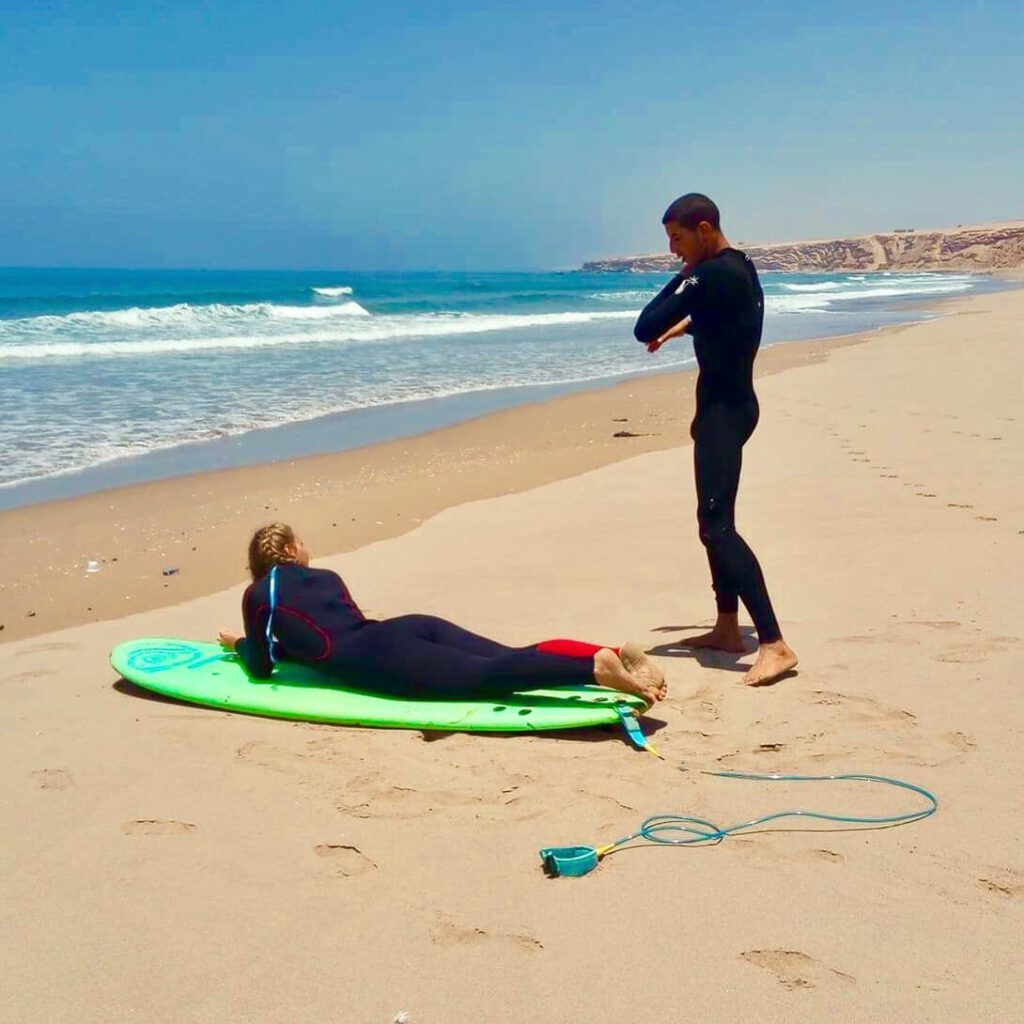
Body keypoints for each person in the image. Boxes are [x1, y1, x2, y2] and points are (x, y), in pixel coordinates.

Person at [218, 522, 667, 706]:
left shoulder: (259, 594)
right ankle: (613, 652)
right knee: (505, 656)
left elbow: (262, 667)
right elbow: (328, 635)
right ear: (294, 549)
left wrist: (238, 644)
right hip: (405, 628)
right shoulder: (328, 577)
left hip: (379, 659)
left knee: (488, 679)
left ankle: (594, 669)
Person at [633, 193, 797, 686]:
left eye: (678, 240)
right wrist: (683, 327)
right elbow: (725, 318)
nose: (674, 252)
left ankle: (773, 643)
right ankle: (728, 626)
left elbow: (643, 323)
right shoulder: (737, 268)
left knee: (717, 525)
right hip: (726, 407)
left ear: (705, 229)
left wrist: (684, 279)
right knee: (711, 520)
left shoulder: (713, 273)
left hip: (726, 412)